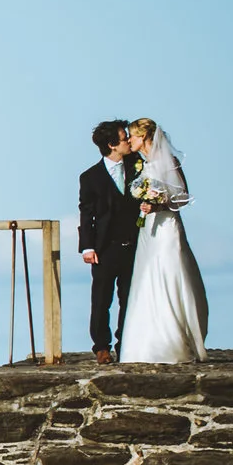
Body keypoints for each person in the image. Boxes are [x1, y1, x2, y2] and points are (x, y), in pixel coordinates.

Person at [119, 117, 209, 364]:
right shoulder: (143, 165)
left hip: (167, 227)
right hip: (149, 229)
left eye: (132, 136)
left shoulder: (168, 162)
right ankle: (145, 342)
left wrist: (159, 203)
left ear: (144, 137)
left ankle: (173, 341)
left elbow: (183, 198)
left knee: (169, 274)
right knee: (146, 279)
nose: (129, 140)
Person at [76, 120, 140, 364]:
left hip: (133, 245)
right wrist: (87, 247)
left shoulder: (138, 167)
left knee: (129, 298)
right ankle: (101, 347)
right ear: (112, 145)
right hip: (104, 248)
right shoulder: (90, 178)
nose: (128, 142)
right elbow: (86, 213)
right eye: (125, 138)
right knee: (102, 299)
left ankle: (126, 343)